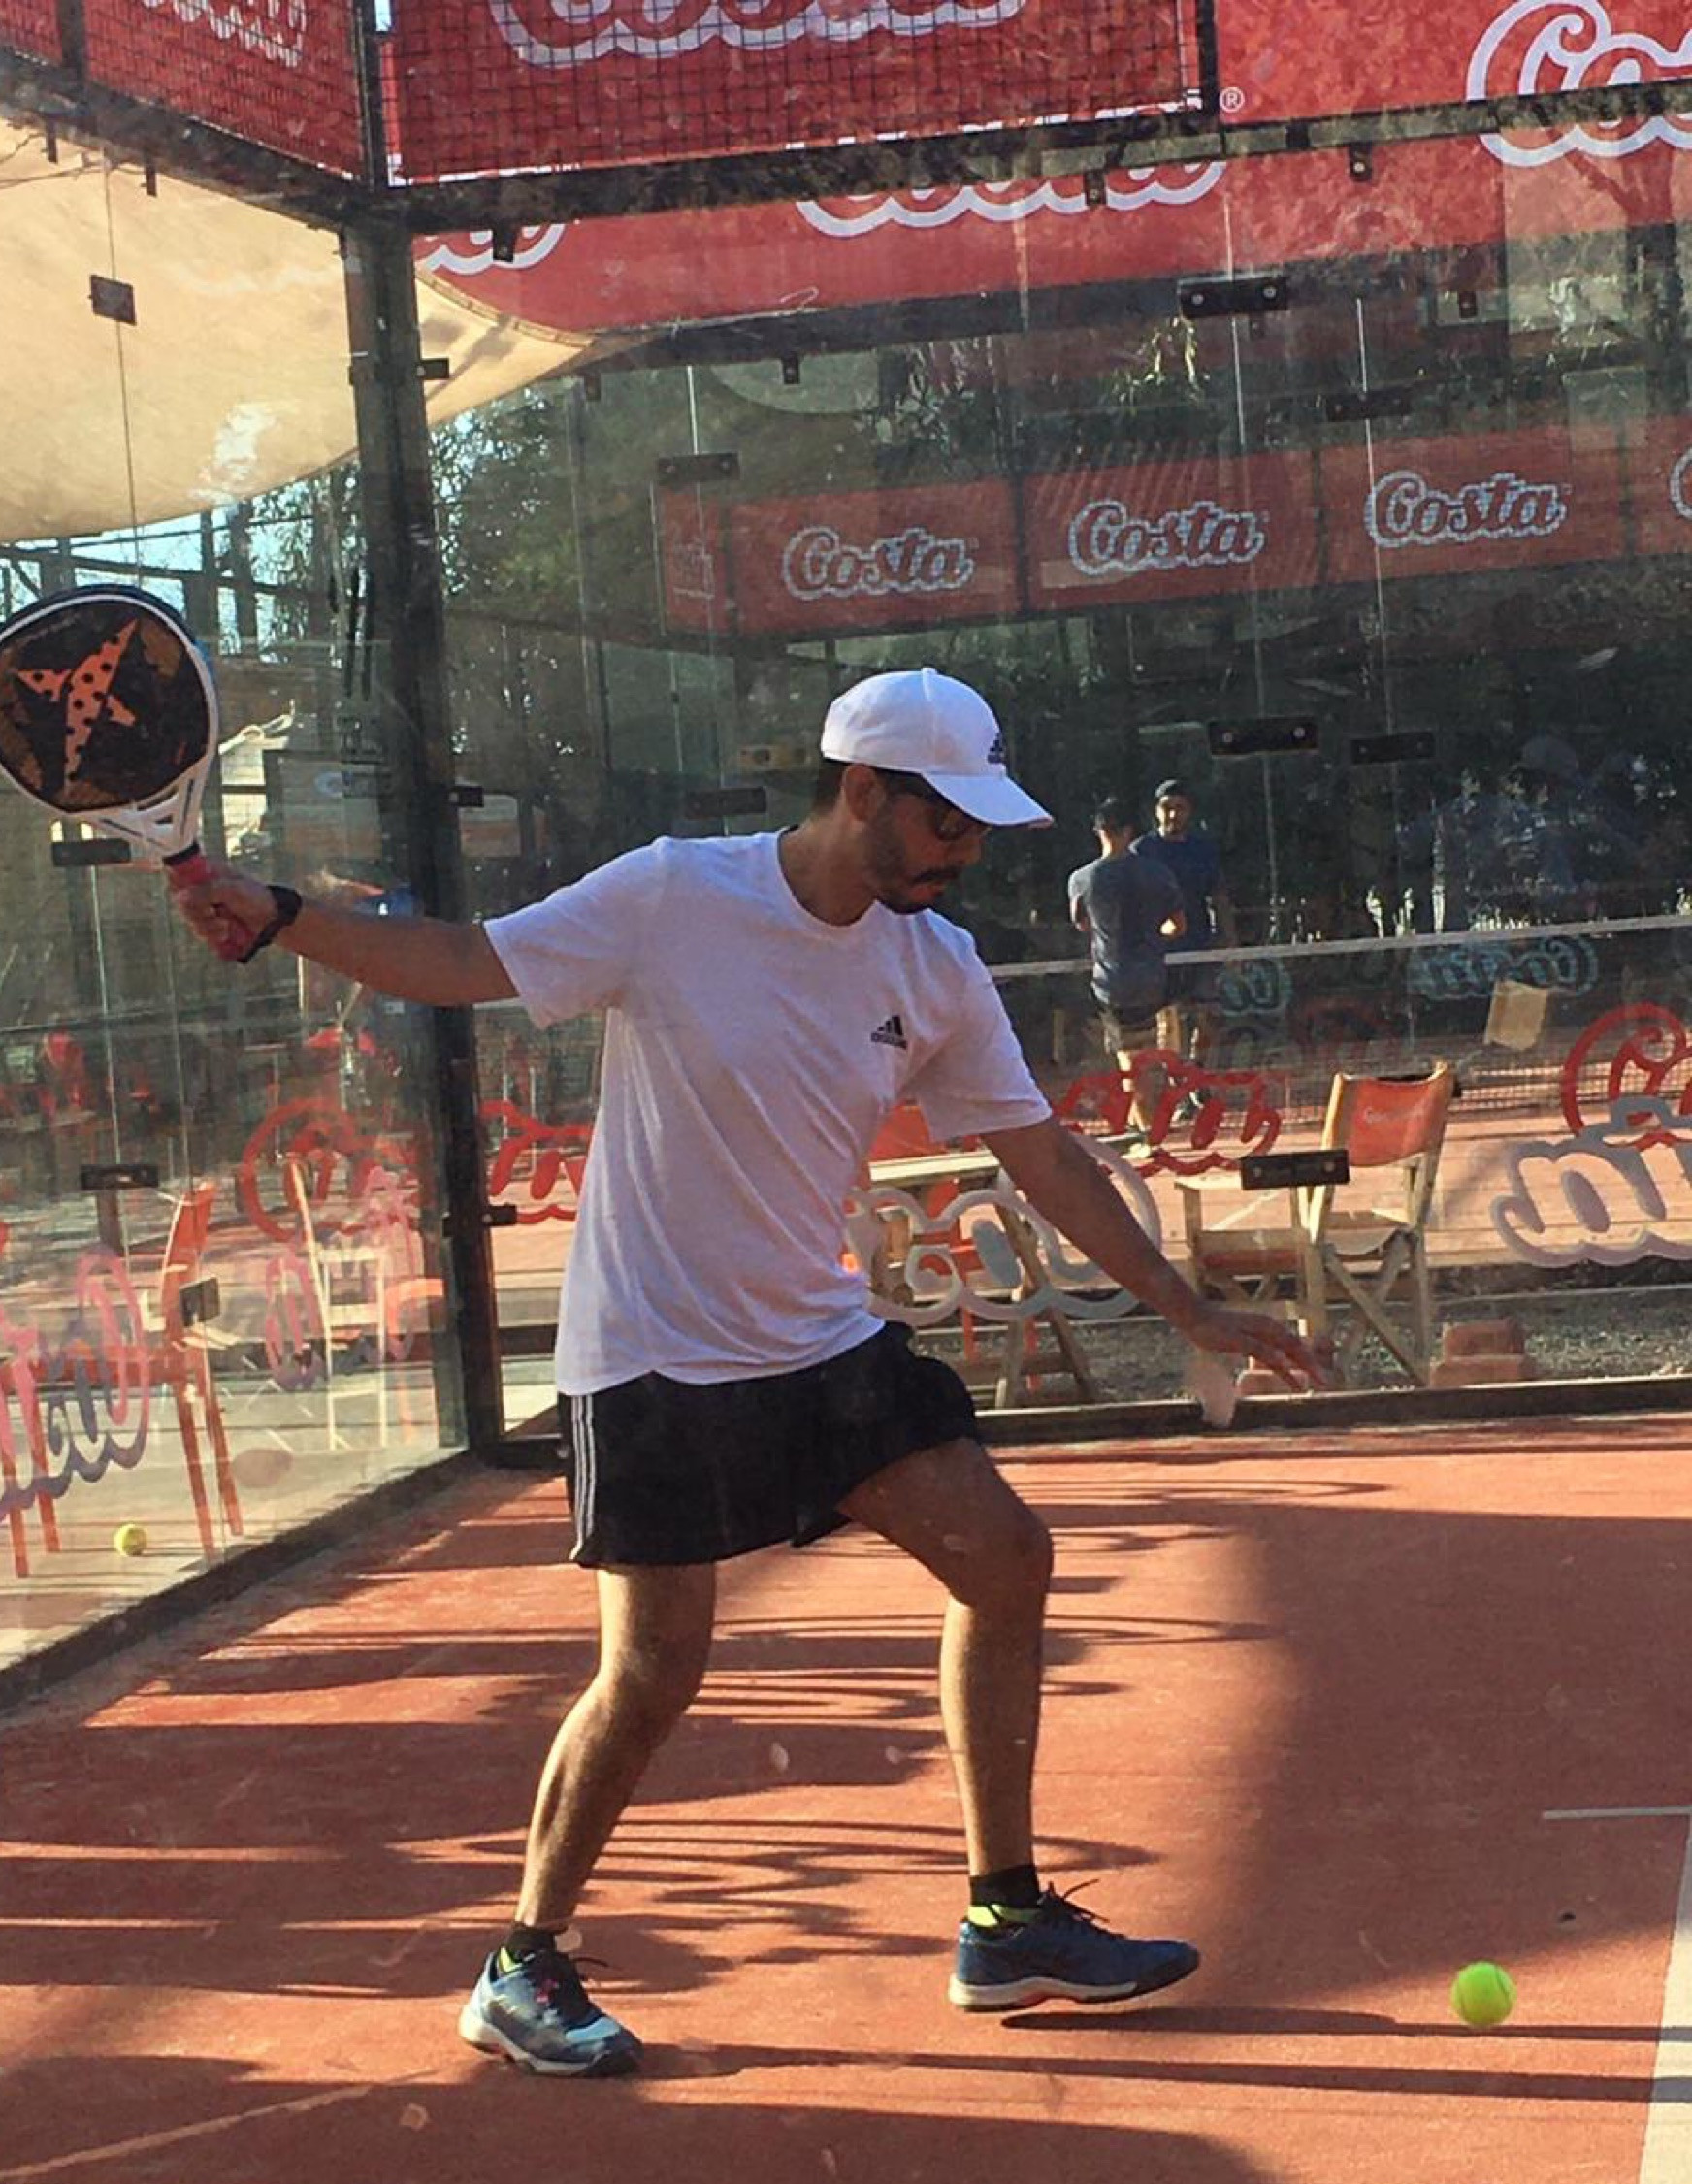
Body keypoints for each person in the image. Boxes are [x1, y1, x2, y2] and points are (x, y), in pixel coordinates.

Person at [174, 666, 1326, 2078]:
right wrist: (285, 913)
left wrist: (1184, 1306)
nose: (966, 850)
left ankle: (1005, 1918)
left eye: (978, 825)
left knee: (1006, 1558)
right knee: (655, 1673)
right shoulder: (673, 893)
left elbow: (1042, 1155)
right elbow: (469, 961)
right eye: (947, 821)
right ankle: (521, 1965)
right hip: (652, 1349)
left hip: (816, 1338)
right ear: (864, 792)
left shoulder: (934, 965)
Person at [1067, 796, 1185, 1134]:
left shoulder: (1081, 879)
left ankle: (1147, 1130)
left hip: (1111, 982)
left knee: (1132, 1058)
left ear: (1098, 831)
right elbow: (1178, 925)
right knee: (1146, 1054)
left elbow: (1082, 924)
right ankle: (1145, 1123)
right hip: (1153, 979)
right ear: (1130, 831)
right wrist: (1155, 936)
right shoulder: (1157, 873)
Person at [1132, 780, 1236, 1072]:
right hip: (1158, 953)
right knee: (1170, 1020)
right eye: (1167, 807)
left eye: (1180, 808)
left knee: (1208, 1016)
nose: (1173, 814)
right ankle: (1175, 1081)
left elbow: (1219, 897)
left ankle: (1196, 1074)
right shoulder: (1142, 851)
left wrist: (1230, 941)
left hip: (1200, 946)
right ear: (1156, 811)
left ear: (1189, 812)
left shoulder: (1202, 849)